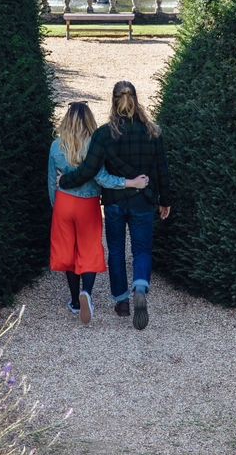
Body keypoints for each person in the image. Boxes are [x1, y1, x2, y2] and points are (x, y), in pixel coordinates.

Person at [58, 82, 172, 331]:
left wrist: (64, 181)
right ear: (136, 99)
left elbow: (88, 171)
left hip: (114, 202)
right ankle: (140, 286)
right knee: (142, 249)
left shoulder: (103, 134)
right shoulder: (152, 132)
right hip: (143, 202)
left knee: (117, 251)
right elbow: (162, 169)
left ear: (113, 101)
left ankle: (121, 302)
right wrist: (165, 200)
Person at [48, 101, 149, 326]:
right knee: (89, 249)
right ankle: (88, 295)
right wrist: (129, 182)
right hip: (87, 204)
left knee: (69, 251)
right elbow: (102, 178)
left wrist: (56, 207)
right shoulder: (94, 145)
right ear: (89, 121)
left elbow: (50, 182)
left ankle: (75, 301)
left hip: (64, 203)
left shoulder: (56, 146)